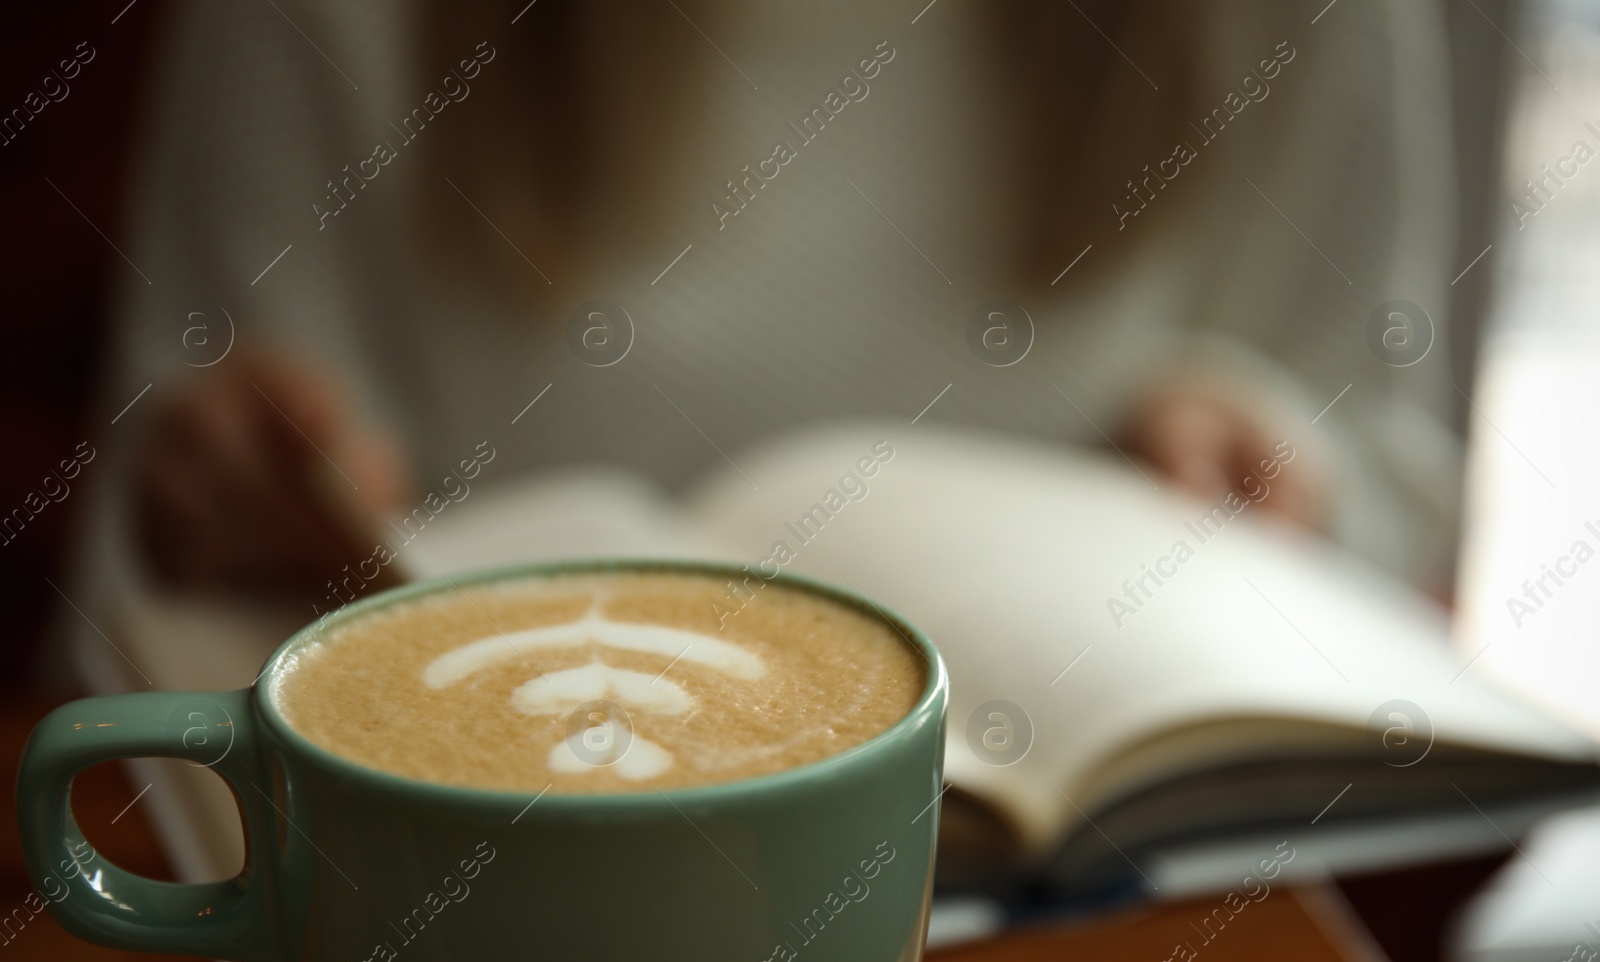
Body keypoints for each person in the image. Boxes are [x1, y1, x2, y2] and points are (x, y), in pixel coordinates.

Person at [75, 0, 1463, 624]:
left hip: (1114, 944)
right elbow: (147, 591)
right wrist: (229, 507)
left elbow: (1402, 501)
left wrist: (1286, 479)